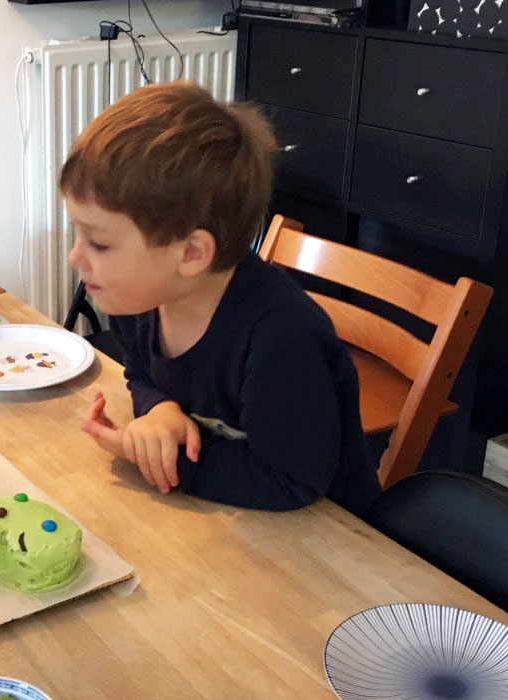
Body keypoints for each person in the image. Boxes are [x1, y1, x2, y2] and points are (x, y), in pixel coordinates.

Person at [63, 82, 381, 516]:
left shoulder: (281, 338)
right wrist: (159, 409)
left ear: (190, 254)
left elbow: (291, 479)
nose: (74, 256)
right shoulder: (136, 303)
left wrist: (156, 461)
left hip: (333, 543)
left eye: (97, 243)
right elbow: (140, 371)